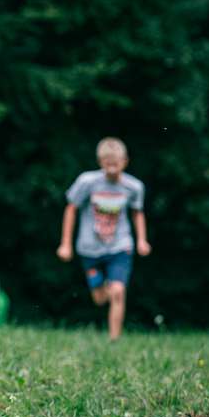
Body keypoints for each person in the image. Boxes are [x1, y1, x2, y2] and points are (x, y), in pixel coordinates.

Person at [57, 137, 151, 341]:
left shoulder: (134, 187)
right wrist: (65, 243)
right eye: (107, 165)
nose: (112, 169)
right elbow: (71, 209)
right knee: (100, 299)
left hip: (120, 246)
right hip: (89, 248)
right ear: (100, 162)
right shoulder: (87, 182)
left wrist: (142, 240)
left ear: (125, 162)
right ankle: (107, 288)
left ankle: (114, 340)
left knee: (118, 291)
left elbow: (137, 212)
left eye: (116, 164)